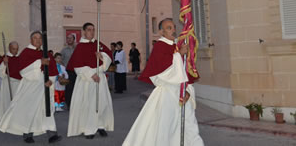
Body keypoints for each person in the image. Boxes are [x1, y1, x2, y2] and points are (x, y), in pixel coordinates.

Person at [122, 18, 204, 146]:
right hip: (168, 94)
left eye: (173, 27)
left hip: (182, 92)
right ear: (162, 32)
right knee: (166, 128)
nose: (173, 30)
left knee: (189, 125)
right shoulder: (160, 46)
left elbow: (185, 70)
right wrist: (178, 56)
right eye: (168, 28)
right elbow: (159, 74)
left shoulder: (177, 46)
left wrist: (186, 89)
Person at [0, 31, 62, 144]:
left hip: (44, 86)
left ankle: (52, 134)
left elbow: (53, 71)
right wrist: (39, 62)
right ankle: (27, 134)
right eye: (35, 38)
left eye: (40, 38)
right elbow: (23, 71)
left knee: (47, 109)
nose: (37, 40)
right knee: (30, 110)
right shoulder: (26, 53)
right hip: (31, 85)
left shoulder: (46, 53)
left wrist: (50, 81)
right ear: (31, 40)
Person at [67, 22, 114, 139]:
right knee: (88, 105)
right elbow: (77, 65)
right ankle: (88, 129)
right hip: (87, 80)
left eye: (93, 30)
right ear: (84, 31)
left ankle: (100, 125)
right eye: (89, 30)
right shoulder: (80, 46)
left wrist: (102, 56)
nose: (92, 32)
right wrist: (91, 75)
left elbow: (109, 56)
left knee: (101, 103)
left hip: (100, 78)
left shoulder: (98, 44)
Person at [0, 41, 21, 121]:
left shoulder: (20, 57)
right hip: (8, 84)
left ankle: (18, 119)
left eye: (17, 49)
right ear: (9, 48)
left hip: (19, 84)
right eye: (14, 49)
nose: (16, 51)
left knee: (19, 103)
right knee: (7, 102)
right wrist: (4, 63)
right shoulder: (5, 57)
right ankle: (6, 120)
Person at [60, 33, 76, 109]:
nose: (69, 39)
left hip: (77, 72)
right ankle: (69, 105)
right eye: (68, 38)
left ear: (74, 39)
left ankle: (76, 105)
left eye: (70, 38)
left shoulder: (77, 49)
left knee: (76, 89)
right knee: (69, 89)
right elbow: (59, 60)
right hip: (68, 72)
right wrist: (62, 70)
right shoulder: (63, 50)